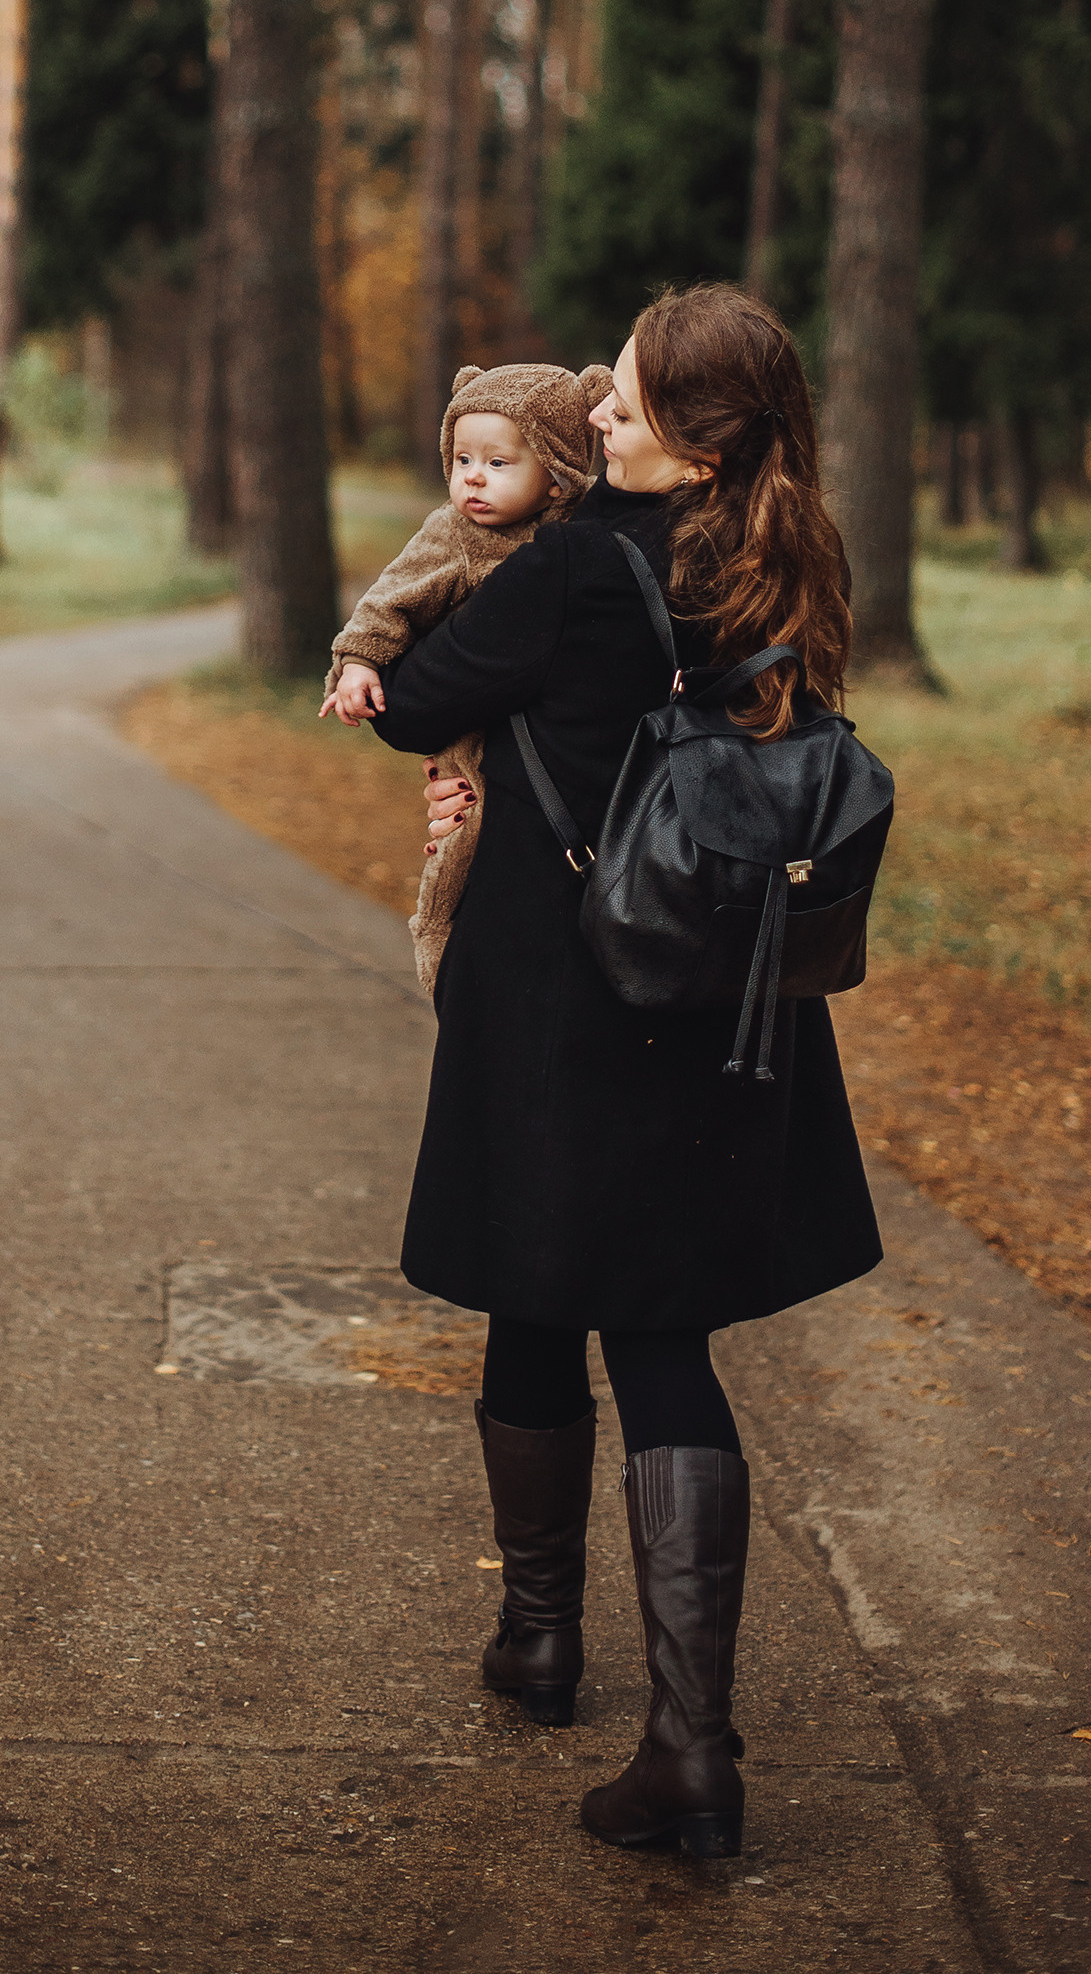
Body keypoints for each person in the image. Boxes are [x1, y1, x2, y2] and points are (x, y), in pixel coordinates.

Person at [372, 282, 882, 1861]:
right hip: (716, 999)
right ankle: (691, 1747)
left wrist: (418, 637)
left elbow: (420, 711)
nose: (598, 414)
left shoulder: (583, 564)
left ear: (695, 436)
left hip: (556, 1000)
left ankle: (539, 1641)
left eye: (630, 401)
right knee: (661, 1340)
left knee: (538, 1294)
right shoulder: (789, 563)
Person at [321, 360, 611, 993]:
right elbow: (388, 601)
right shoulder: (452, 535)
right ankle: (439, 943)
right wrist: (358, 664)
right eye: (461, 461)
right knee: (463, 830)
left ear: (559, 477)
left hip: (534, 740)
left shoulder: (586, 530)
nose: (473, 478)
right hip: (466, 728)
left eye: (499, 464)